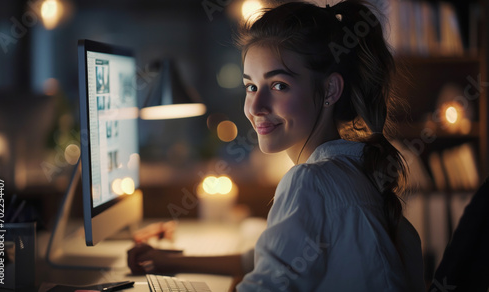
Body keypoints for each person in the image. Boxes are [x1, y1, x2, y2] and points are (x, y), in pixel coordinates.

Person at [128, 1, 425, 290]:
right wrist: (168, 262)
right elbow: (265, 261)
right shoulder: (351, 169)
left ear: (330, 90)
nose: (255, 106)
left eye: (279, 85)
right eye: (251, 86)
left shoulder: (311, 181)